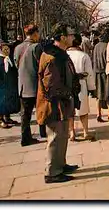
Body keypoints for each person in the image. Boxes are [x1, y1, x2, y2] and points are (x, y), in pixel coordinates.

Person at [36, 23, 79, 184]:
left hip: (61, 102)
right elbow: (51, 85)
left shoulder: (59, 54)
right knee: (54, 137)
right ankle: (52, 172)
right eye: (70, 34)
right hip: (53, 104)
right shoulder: (52, 57)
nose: (73, 37)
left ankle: (60, 164)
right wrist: (67, 92)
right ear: (62, 37)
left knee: (62, 136)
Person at [14, 25, 47, 146]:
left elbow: (16, 64)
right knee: (41, 109)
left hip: (22, 86)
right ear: (35, 34)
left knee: (25, 114)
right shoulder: (36, 47)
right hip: (35, 84)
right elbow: (41, 65)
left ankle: (25, 137)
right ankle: (43, 132)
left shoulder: (17, 48)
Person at [67, 34, 96, 141]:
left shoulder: (65, 55)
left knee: (70, 110)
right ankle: (85, 131)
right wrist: (92, 87)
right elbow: (89, 73)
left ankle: (72, 133)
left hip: (68, 85)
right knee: (83, 109)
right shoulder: (84, 56)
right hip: (81, 84)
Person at [92, 30, 109, 122]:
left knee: (99, 96)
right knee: (107, 93)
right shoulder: (107, 46)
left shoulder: (96, 46)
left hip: (96, 73)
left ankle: (98, 114)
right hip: (105, 72)